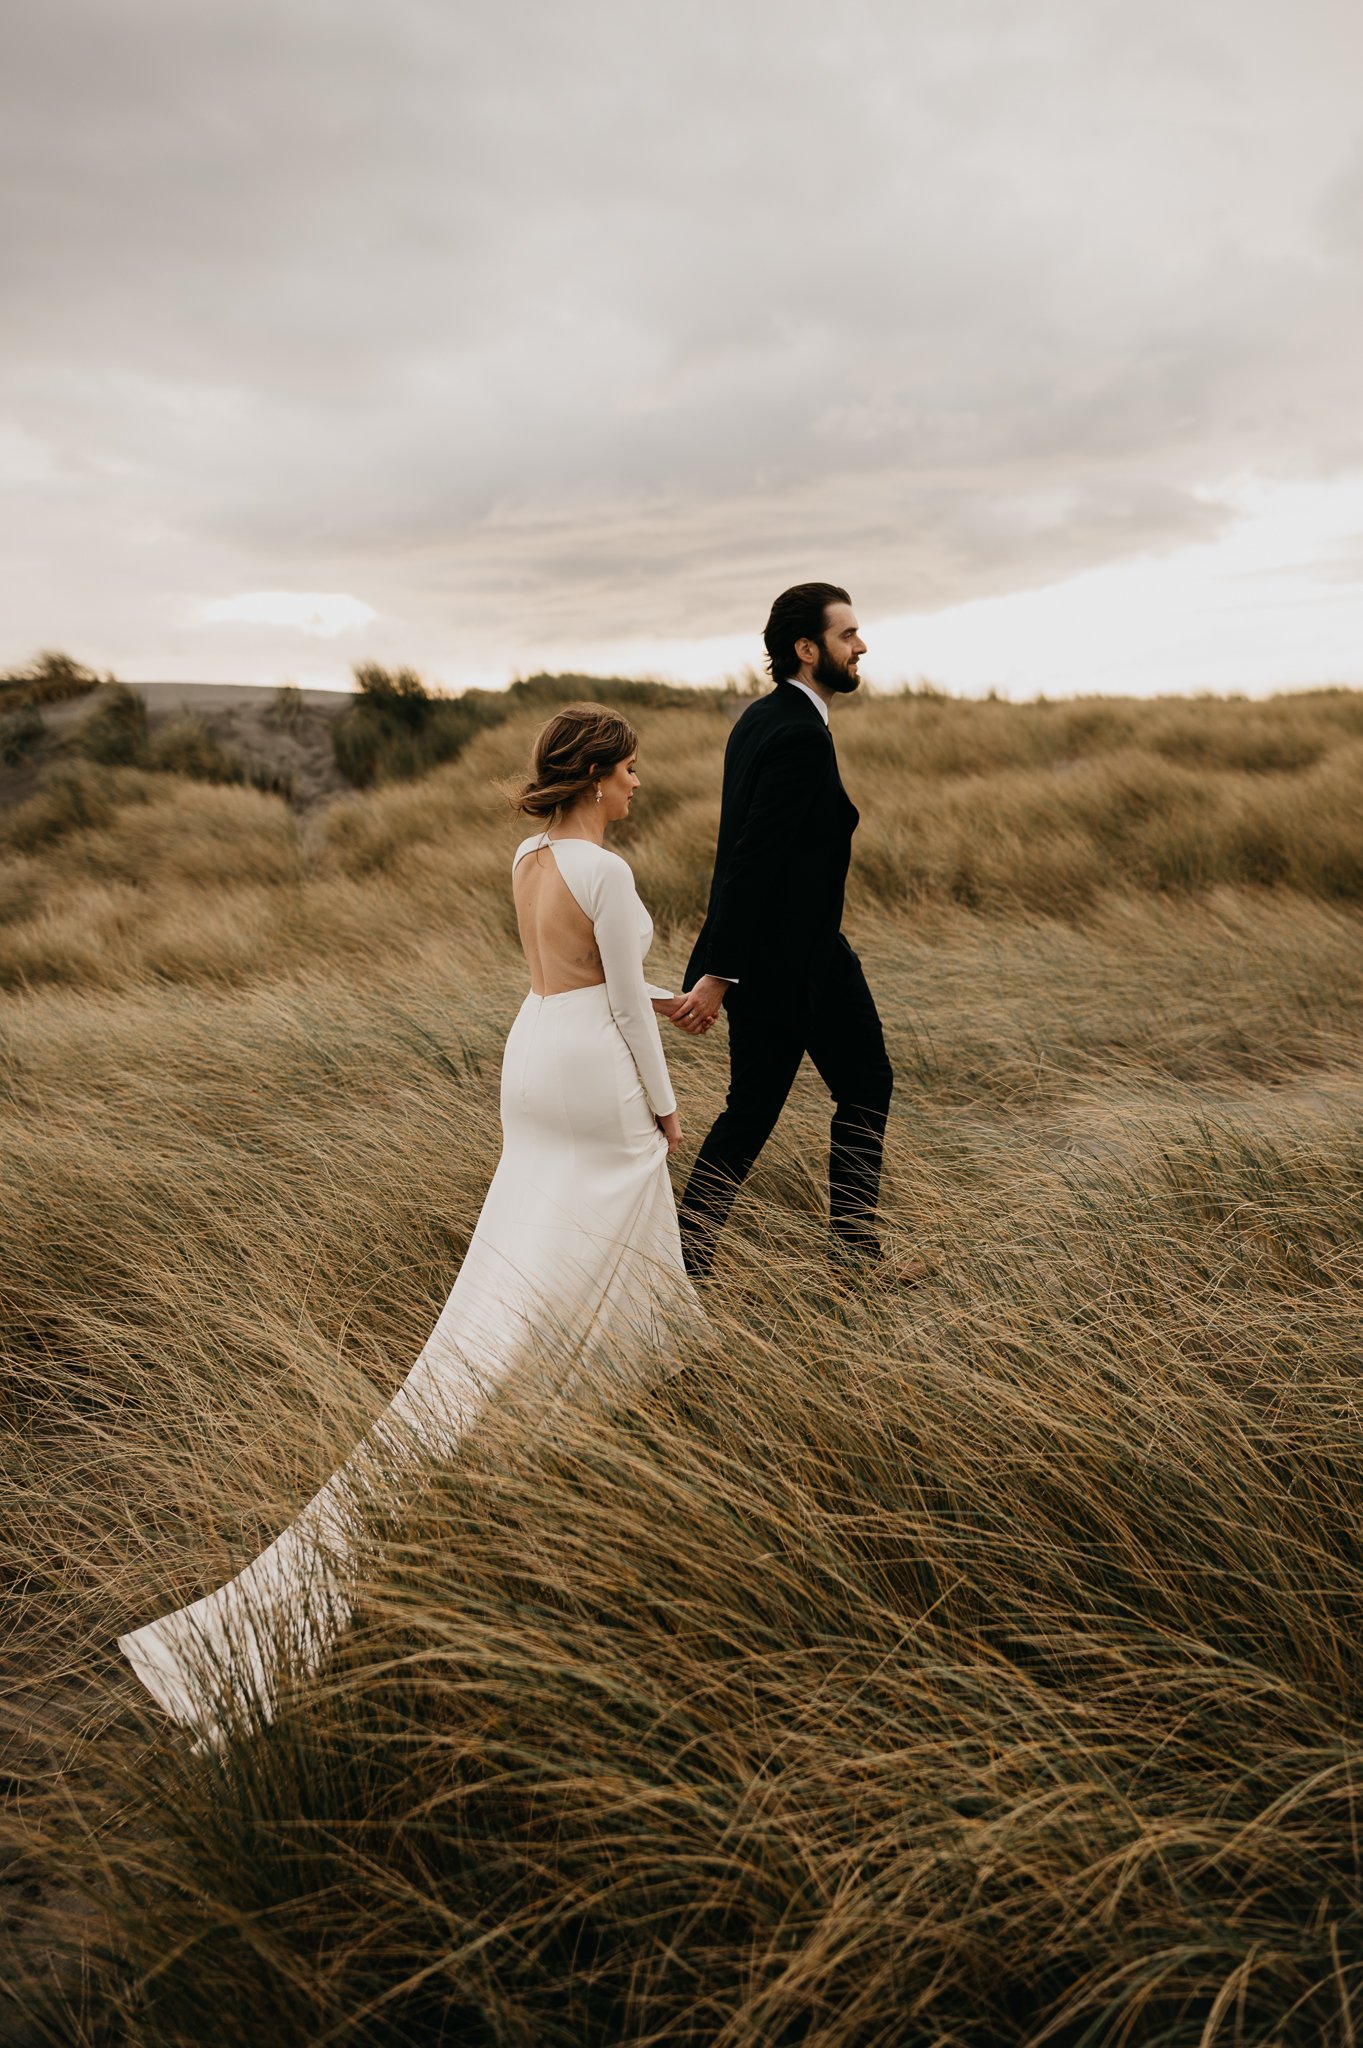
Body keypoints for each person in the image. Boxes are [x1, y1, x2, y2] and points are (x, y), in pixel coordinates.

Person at [119, 704, 697, 1738]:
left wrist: (663, 1000)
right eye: (631, 772)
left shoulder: (530, 853)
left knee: (524, 1255)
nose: (637, 786)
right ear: (602, 772)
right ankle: (578, 1418)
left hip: (532, 1060)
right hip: (593, 1072)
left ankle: (520, 1398)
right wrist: (663, 1100)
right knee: (616, 1240)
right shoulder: (604, 871)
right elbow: (608, 1004)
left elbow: (581, 983)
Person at [672, 582, 915, 1281]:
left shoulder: (759, 719)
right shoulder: (798, 736)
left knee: (760, 1111)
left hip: (786, 959)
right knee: (851, 1089)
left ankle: (692, 1262)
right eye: (847, 636)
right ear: (806, 650)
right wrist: (719, 974)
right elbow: (751, 859)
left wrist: (724, 965)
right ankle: (846, 1257)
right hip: (790, 964)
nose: (861, 645)